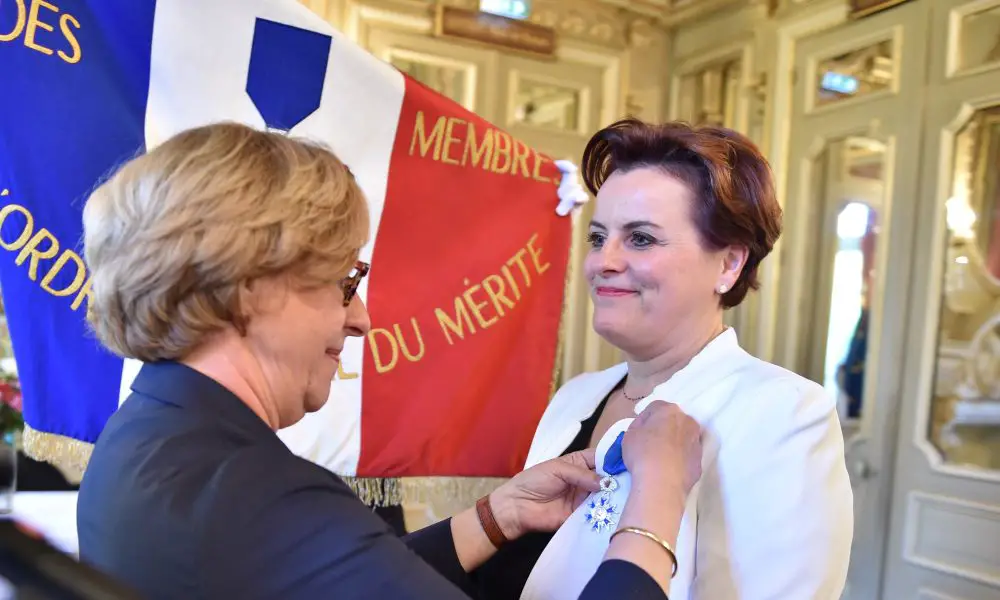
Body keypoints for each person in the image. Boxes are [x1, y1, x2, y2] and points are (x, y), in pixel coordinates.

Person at [75, 122, 703, 599]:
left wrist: (494, 517)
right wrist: (656, 500)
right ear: (251, 287)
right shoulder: (250, 490)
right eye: (343, 281)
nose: (361, 318)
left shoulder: (151, 430)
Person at [472, 118, 854, 600]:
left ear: (729, 264)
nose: (602, 261)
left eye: (641, 238)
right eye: (597, 237)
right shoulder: (576, 397)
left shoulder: (784, 414)